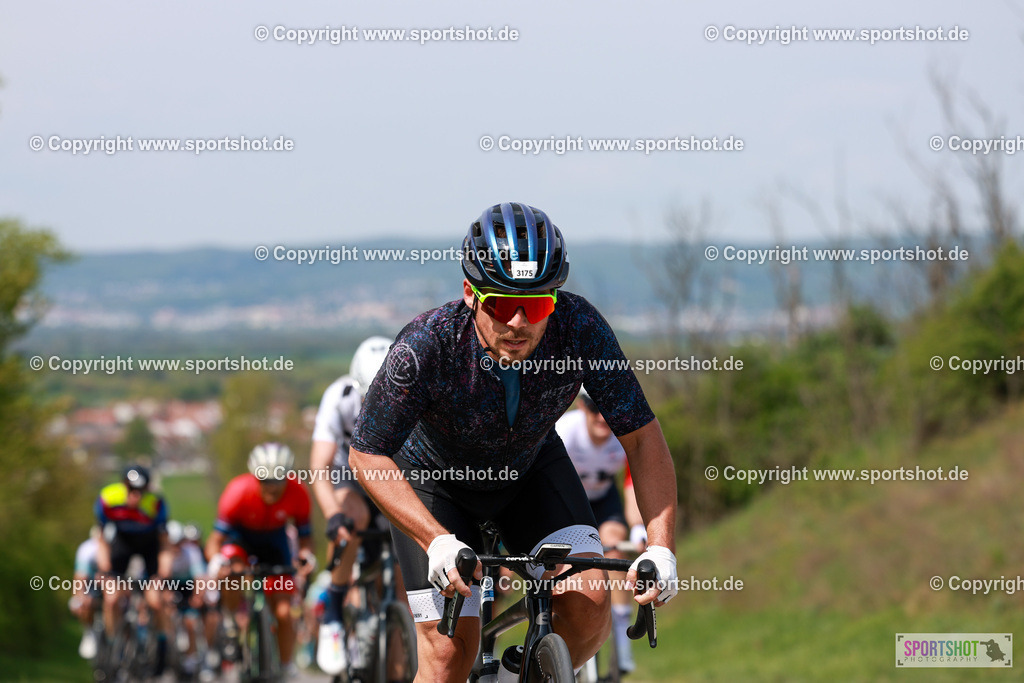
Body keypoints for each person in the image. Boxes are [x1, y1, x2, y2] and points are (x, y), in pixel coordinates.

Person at [348, 202, 679, 681]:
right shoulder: (427, 345)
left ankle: (515, 674)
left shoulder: (581, 329)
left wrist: (661, 546)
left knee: (589, 606)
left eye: (539, 303)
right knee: (446, 657)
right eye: (503, 304)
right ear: (470, 293)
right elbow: (366, 452)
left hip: (528, 471)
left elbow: (644, 440)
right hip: (435, 483)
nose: (520, 322)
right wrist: (435, 540)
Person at [308, 335, 410, 675]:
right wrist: (333, 515)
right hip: (349, 477)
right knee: (351, 519)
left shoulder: (415, 392)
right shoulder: (338, 398)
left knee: (402, 591)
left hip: (394, 477)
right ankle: (334, 612)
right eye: (371, 397)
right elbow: (319, 468)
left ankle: (397, 669)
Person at [206, 443, 316, 678]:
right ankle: (230, 620)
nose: (272, 487)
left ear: (288, 475)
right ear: (254, 476)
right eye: (264, 480)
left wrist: (306, 557)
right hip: (240, 540)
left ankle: (286, 666)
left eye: (278, 480)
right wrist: (217, 562)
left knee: (285, 612)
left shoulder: (298, 492)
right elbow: (215, 540)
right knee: (231, 570)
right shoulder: (237, 491)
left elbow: (305, 538)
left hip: (275, 543)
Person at [555, 387, 645, 674]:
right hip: (566, 500)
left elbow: (633, 484)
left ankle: (622, 638)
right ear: (582, 407)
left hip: (604, 501)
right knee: (565, 562)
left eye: (608, 407)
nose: (602, 416)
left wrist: (640, 527)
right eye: (594, 407)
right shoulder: (566, 431)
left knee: (614, 547)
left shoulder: (623, 435)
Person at [94, 464, 173, 674]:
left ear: (148, 489)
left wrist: (163, 570)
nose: (135, 497)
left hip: (149, 547)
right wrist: (105, 569)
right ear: (124, 486)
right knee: (111, 598)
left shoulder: (156, 504)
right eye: (131, 491)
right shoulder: (109, 498)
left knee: (155, 602)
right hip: (123, 545)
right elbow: (101, 539)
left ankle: (162, 648)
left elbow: (165, 543)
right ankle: (113, 646)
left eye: (141, 492)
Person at [70, 526, 103, 660]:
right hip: (93, 589)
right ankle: (89, 631)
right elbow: (80, 577)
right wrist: (81, 596)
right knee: (82, 603)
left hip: (116, 588)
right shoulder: (87, 549)